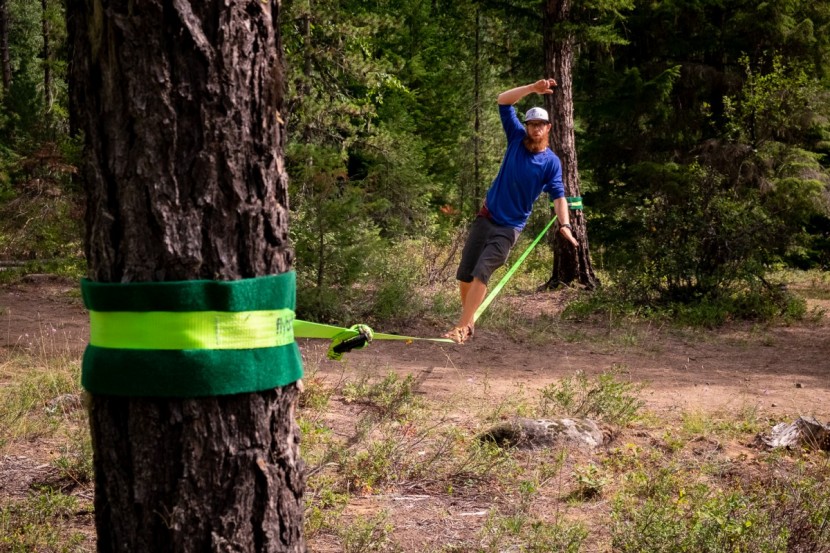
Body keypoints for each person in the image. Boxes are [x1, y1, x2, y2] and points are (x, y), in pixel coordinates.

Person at [443, 78, 579, 344]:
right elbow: (503, 100)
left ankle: (460, 327)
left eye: (540, 124)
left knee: (482, 270)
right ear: (526, 126)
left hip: (509, 227)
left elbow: (559, 196)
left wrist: (564, 224)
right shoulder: (516, 138)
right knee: (465, 274)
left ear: (548, 127)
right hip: (486, 217)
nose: (536, 128)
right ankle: (469, 322)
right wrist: (531, 89)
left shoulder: (551, 162)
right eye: (532, 124)